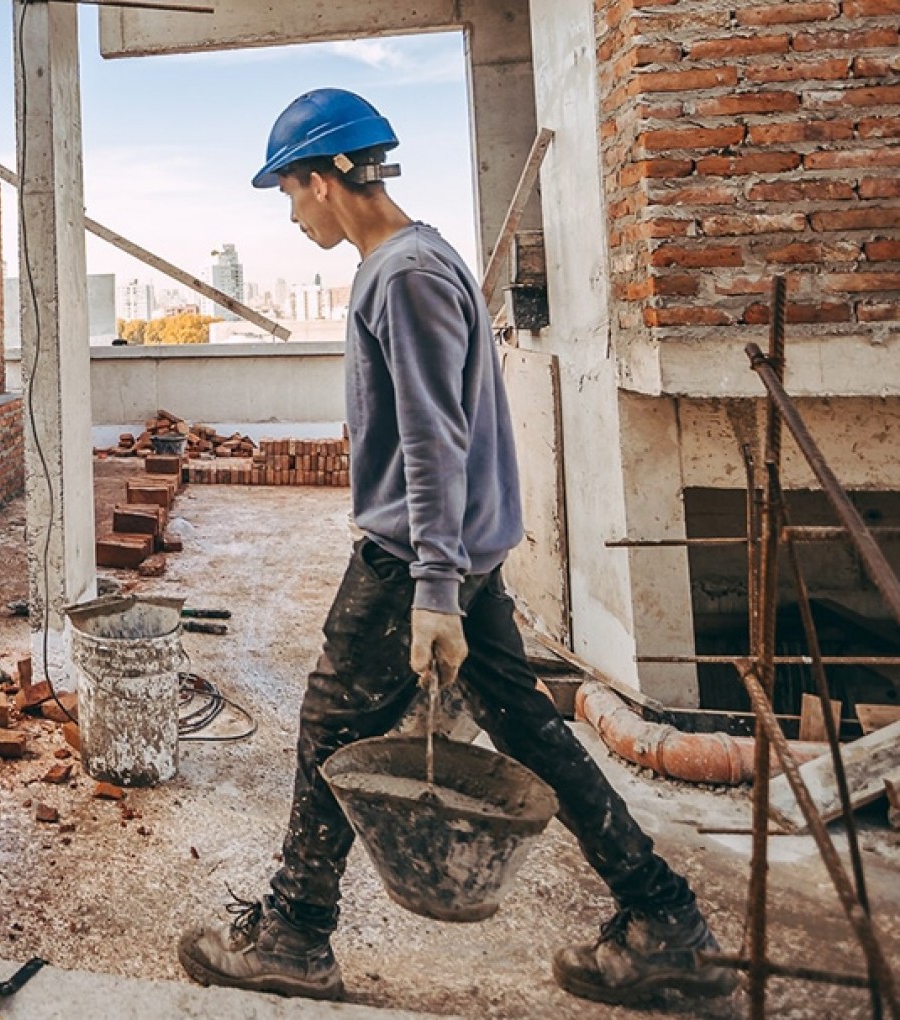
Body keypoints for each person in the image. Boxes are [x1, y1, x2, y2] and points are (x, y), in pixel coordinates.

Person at [177, 89, 737, 1007]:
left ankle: (293, 935)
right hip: (452, 558)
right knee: (529, 729)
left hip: (413, 564)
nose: (289, 211)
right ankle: (666, 924)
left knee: (331, 723)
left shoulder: (402, 275)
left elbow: (436, 440)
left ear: (324, 180)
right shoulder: (419, 262)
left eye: (289, 191)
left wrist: (434, 587)